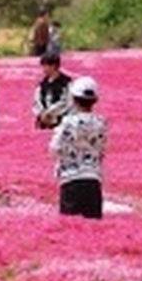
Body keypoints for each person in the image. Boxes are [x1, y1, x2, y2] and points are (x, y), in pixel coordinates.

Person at [50, 76, 107, 219]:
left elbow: (54, 148)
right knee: (94, 231)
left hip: (71, 181)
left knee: (71, 229)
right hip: (93, 181)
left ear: (74, 99)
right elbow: (103, 149)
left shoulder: (68, 123)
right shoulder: (101, 123)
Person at [32, 53, 72, 130]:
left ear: (54, 66)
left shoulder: (66, 83)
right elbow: (36, 101)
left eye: (45, 66)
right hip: (44, 122)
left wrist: (50, 112)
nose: (43, 69)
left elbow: (67, 102)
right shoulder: (42, 84)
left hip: (61, 122)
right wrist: (42, 113)